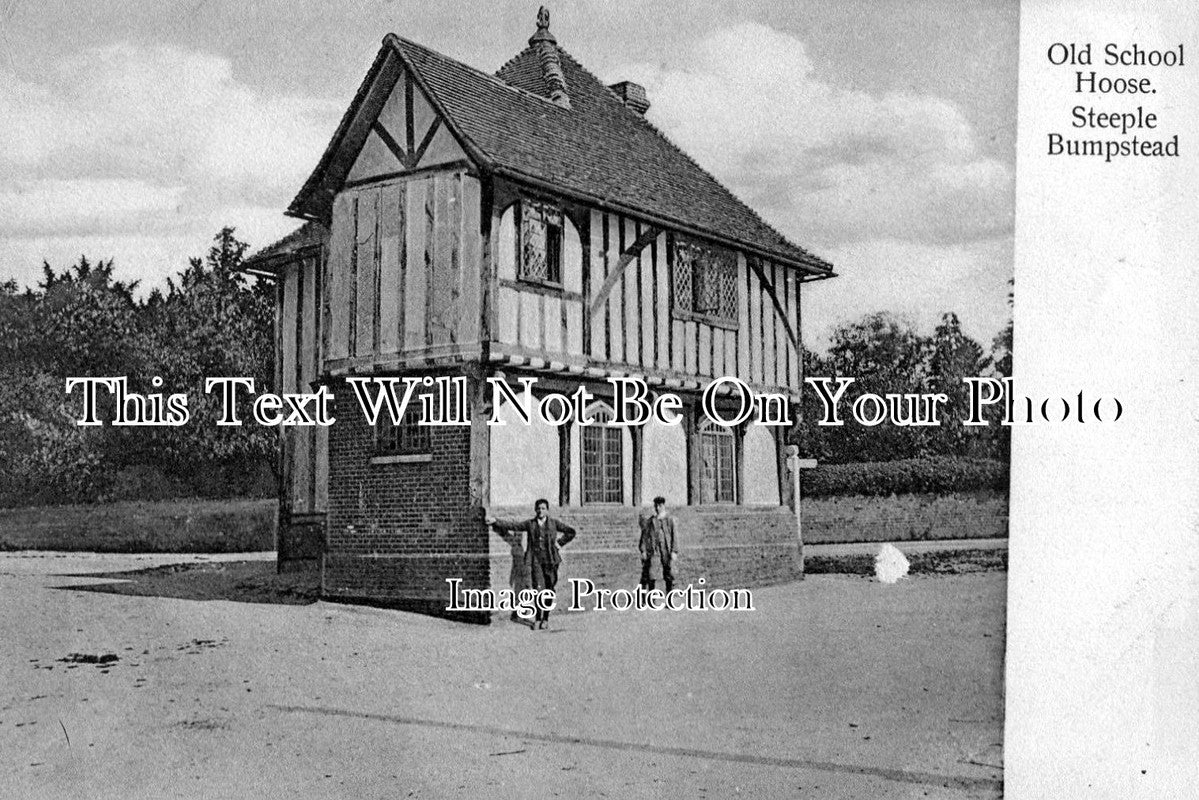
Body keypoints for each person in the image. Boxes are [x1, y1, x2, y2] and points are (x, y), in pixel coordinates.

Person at [486, 499, 577, 630]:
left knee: (549, 590)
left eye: (543, 508)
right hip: (536, 562)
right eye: (538, 508)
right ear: (535, 510)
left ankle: (546, 618)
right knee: (538, 590)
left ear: (547, 510)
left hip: (551, 561)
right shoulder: (530, 524)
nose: (540, 511)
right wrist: (496, 521)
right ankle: (538, 619)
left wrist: (559, 543)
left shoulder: (554, 523)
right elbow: (514, 526)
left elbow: (571, 532)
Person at [639, 496, 679, 593]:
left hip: (666, 550)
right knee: (651, 574)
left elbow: (674, 536)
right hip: (654, 550)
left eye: (660, 506)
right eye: (656, 506)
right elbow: (644, 537)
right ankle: (651, 598)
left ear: (664, 506)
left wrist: (674, 551)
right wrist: (643, 550)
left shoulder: (670, 520)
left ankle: (669, 599)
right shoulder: (651, 521)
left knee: (668, 574)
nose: (657, 508)